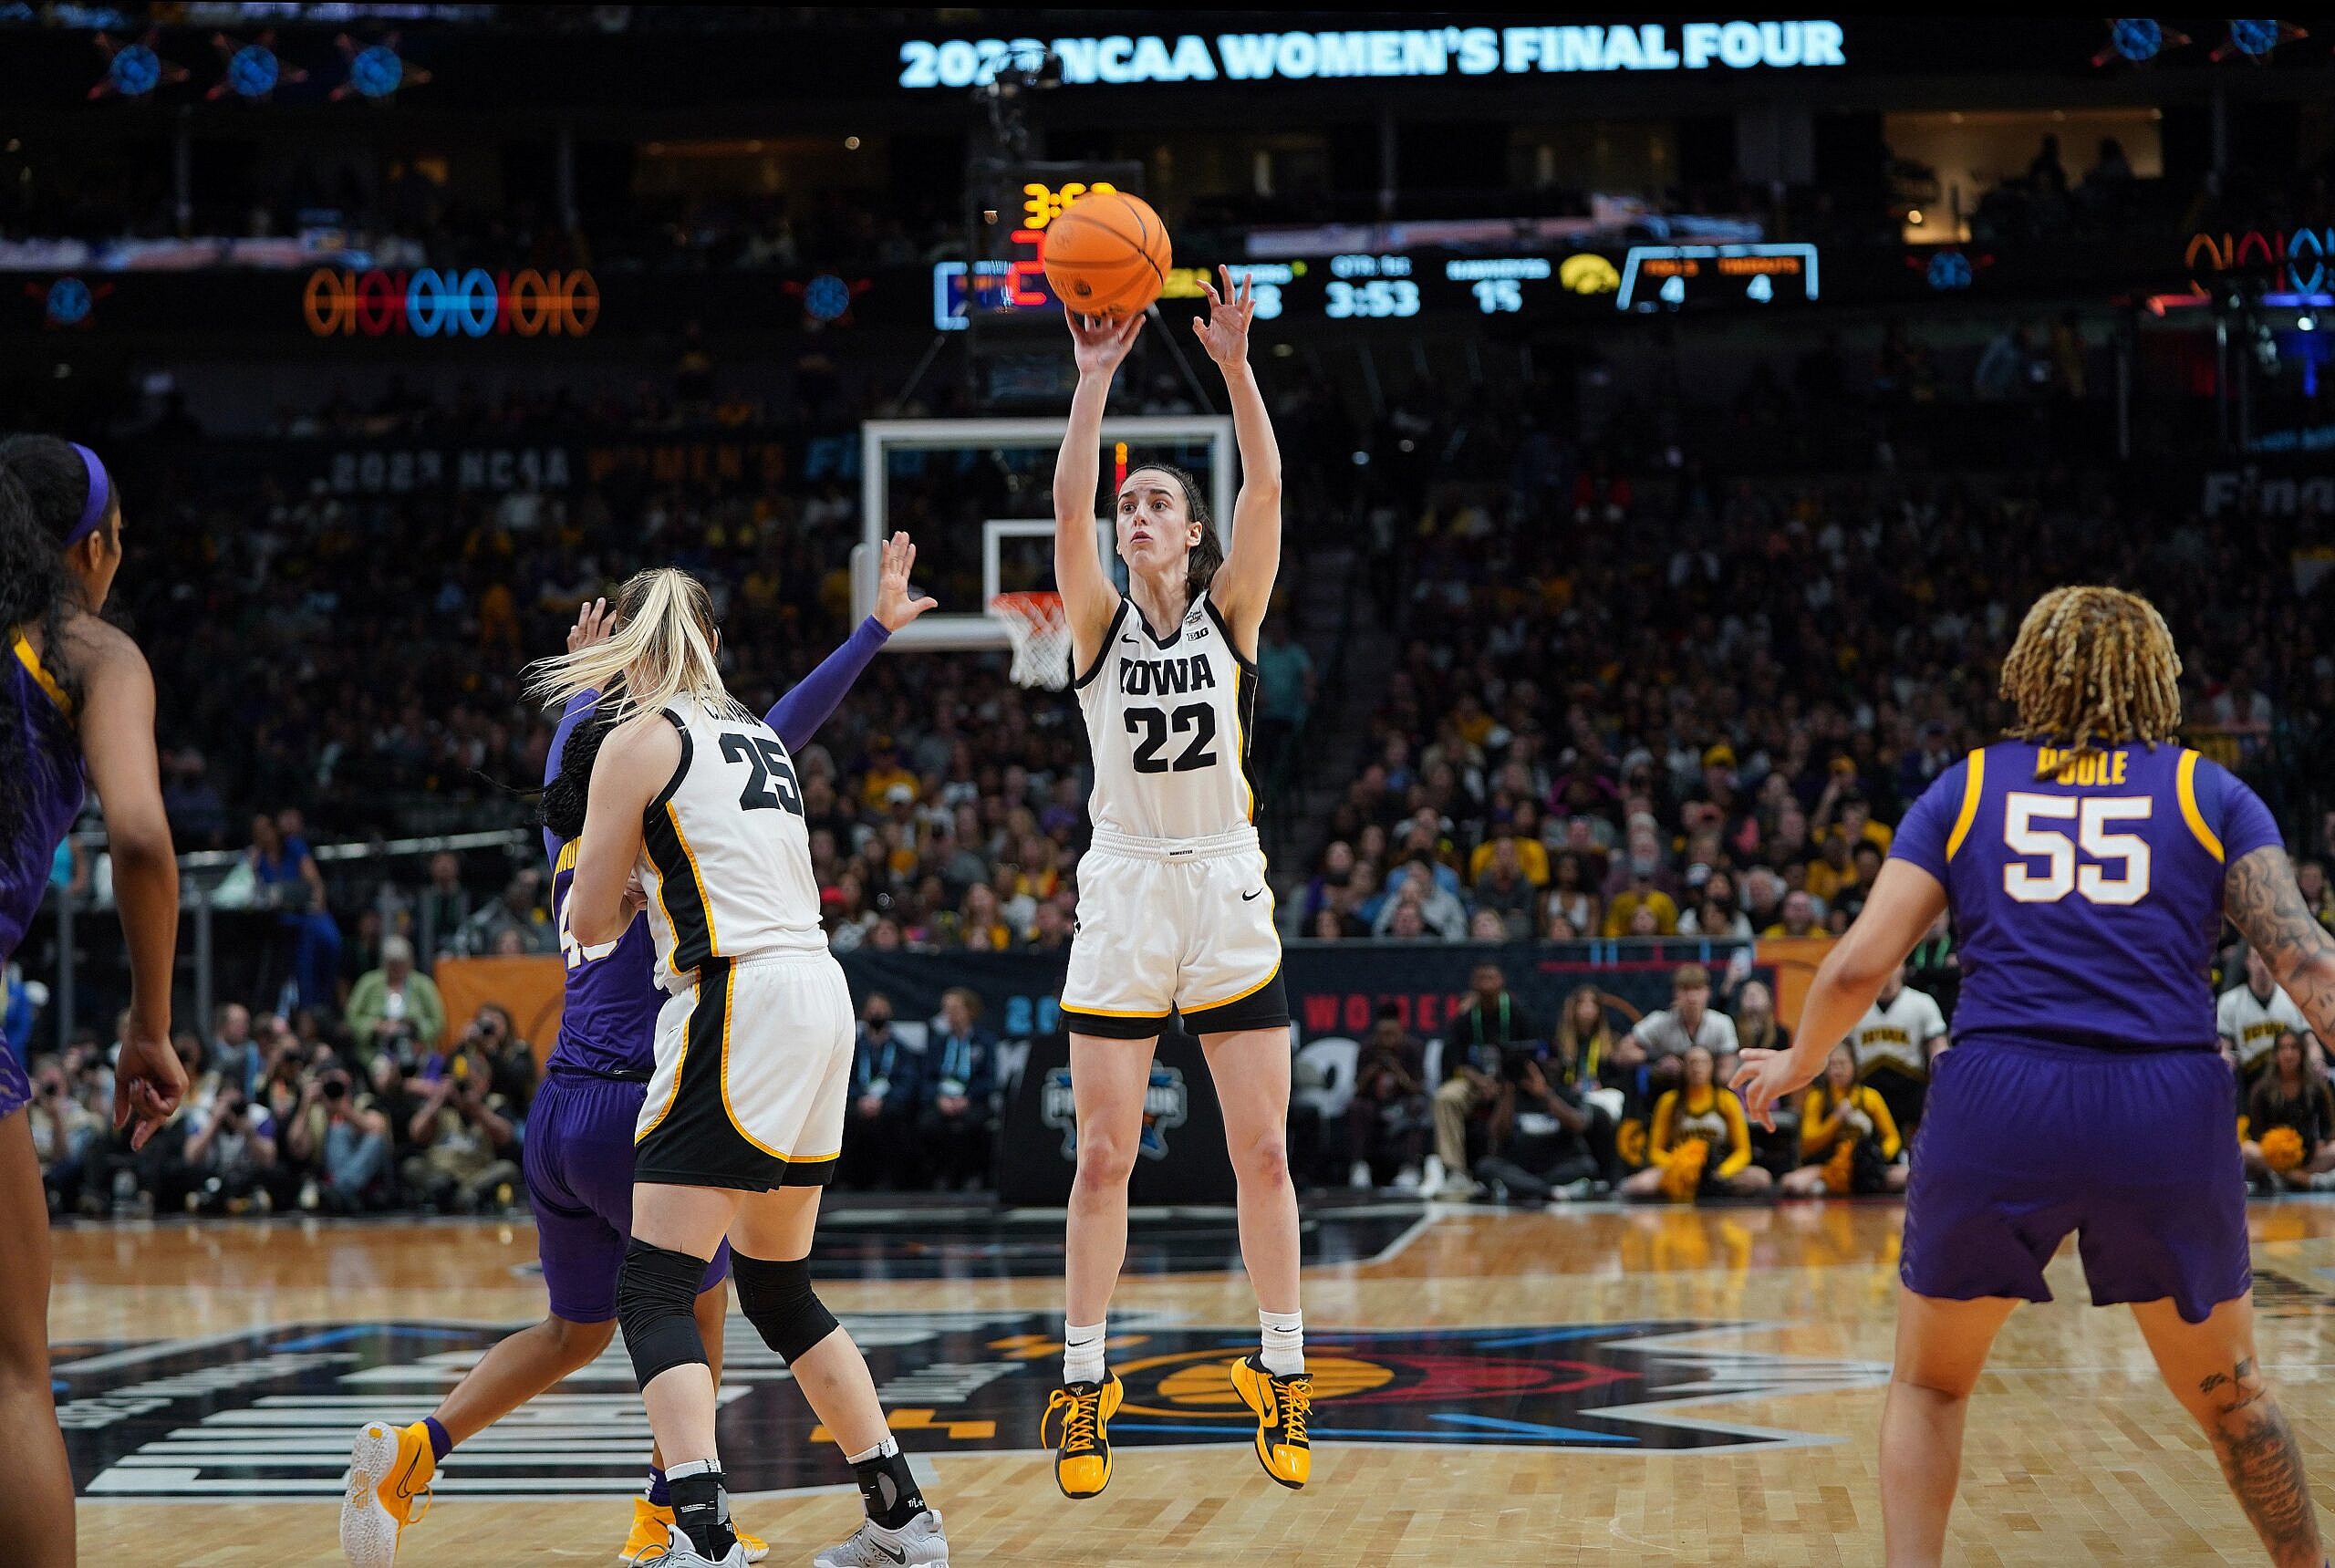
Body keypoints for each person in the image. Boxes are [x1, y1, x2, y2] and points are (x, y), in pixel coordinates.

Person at [341, 541, 939, 1568]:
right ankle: (680, 1525)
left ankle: (418, 1448)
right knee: (694, 1301)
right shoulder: (710, 749)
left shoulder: (592, 775)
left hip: (562, 1105)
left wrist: (582, 698)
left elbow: (576, 827)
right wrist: (872, 632)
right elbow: (783, 722)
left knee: (579, 1329)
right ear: (703, 643)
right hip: (667, 1073)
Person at [1733, 585, 2330, 1568]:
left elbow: (1851, 967)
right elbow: (2307, 967)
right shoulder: (2207, 793)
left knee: (1929, 1388)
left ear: (2029, 671)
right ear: (2155, 676)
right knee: (2233, 1398)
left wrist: (1802, 1060)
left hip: (2000, 1096)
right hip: (2161, 1105)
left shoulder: (1967, 787)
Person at [520, 566, 950, 1568]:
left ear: (630, 649)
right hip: (818, 995)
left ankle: (700, 1538)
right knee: (777, 1284)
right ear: (708, 639)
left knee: (655, 1288)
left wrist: (622, 887)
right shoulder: (754, 733)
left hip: (738, 1003)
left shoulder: (636, 739)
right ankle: (900, 1519)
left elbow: (582, 923)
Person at [1047, 275, 1310, 1500]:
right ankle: (1085, 1381)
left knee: (1263, 1150)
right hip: (1124, 890)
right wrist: (1095, 382)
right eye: (1131, 503)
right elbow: (1065, 500)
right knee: (1104, 1155)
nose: (1139, 511)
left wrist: (1238, 365)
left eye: (1160, 500)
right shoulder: (1095, 618)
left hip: (1223, 886)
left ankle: (1284, 1369)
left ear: (1192, 532)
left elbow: (1265, 487)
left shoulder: (1231, 618)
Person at [0, 435, 187, 1567]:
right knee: (14, 1374)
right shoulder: (91, 652)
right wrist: (149, 1026)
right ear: (91, 548)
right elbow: (142, 838)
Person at [1428, 961, 1541, 1197]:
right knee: (1446, 1097)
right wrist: (1480, 1081)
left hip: (1512, 1081)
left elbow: (1531, 1055)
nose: (1486, 982)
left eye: (1491, 976)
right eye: (1481, 977)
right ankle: (1455, 1172)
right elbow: (1456, 1061)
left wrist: (1503, 1082)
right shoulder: (1465, 1019)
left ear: (1502, 981)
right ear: (1472, 983)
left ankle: (1525, 1169)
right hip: (1477, 1082)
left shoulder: (1519, 1014)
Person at [1619, 1044, 1769, 1199]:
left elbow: (1743, 1152)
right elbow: (1654, 1151)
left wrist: (1721, 1173)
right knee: (1636, 1185)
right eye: (1692, 1063)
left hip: (1718, 1170)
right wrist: (1680, 1167)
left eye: (1703, 1062)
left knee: (1761, 1179)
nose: (1697, 1068)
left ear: (1712, 1067)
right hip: (1678, 1171)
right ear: (1684, 1068)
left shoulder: (1727, 1100)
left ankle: (1714, 1193)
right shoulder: (1669, 1101)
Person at [1780, 1044, 1906, 1197]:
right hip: (1827, 1165)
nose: (1837, 1070)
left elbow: (1893, 1138)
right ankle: (1827, 1186)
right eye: (1832, 1065)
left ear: (1854, 1065)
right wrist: (1836, 1119)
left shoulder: (1870, 1097)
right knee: (1792, 1183)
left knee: (1907, 1176)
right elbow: (1807, 1142)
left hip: (1866, 1167)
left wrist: (1879, 1156)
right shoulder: (1816, 1098)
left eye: (1842, 1064)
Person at [1844, 967, 1950, 1137]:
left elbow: (1938, 1046)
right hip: (1868, 1087)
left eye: (1894, 964)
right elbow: (1843, 1050)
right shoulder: (1855, 1005)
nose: (1887, 971)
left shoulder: (1921, 1002)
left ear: (1903, 968)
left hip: (1910, 1086)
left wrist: (1942, 1078)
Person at [1614, 963, 1742, 1089]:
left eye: (1697, 989)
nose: (1692, 998)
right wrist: (1656, 1059)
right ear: (1676, 993)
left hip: (1711, 1092)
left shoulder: (1722, 1023)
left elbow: (1727, 1074)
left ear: (1707, 992)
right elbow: (1622, 1053)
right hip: (1668, 1092)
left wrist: (1700, 1068)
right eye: (1686, 990)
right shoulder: (1660, 1021)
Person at [918, 988, 996, 1190]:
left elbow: (990, 1079)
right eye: (946, 1009)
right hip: (942, 1100)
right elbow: (927, 1078)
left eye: (955, 1009)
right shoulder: (939, 1042)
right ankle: (937, 1177)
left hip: (972, 1100)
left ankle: (971, 1176)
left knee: (969, 1126)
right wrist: (939, 1097)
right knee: (928, 1124)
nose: (950, 1014)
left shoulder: (984, 1042)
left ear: (970, 1011)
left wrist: (967, 1098)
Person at [1344, 1008, 1428, 1189]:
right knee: (1357, 1107)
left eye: (1392, 1034)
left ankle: (1410, 1168)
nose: (1387, 1039)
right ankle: (1359, 1166)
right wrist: (1373, 1071)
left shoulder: (1413, 1049)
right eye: (1383, 1035)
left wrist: (1398, 1072)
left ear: (1401, 1033)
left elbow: (1417, 1088)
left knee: (1418, 1106)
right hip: (1374, 1104)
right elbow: (1358, 1089)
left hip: (1403, 1102)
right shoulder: (1367, 1049)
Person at [2241, 1032, 2335, 1191]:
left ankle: (2285, 1179)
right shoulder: (2262, 1089)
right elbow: (2255, 1132)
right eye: (2283, 1048)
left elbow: (2328, 1126)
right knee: (2247, 1150)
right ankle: (2306, 1180)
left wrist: (2322, 1142)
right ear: (2276, 1054)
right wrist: (2276, 1146)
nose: (2289, 1053)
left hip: (2308, 1155)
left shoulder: (2316, 1087)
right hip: (2273, 1158)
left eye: (2294, 1048)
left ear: (2302, 1053)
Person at [343, 935, 446, 1070]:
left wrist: (414, 1027)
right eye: (393, 964)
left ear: (410, 962)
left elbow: (439, 1022)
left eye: (401, 963)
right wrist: (375, 1026)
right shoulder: (369, 983)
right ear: (384, 962)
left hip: (417, 1051)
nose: (397, 968)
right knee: (382, 1069)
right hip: (374, 1053)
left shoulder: (423, 985)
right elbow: (351, 1016)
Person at [2217, 947, 2311, 1082]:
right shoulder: (2229, 1001)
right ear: (2247, 962)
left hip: (2289, 1076)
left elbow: (2310, 1042)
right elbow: (2223, 1046)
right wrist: (2225, 1059)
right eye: (2256, 958)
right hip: (2249, 1079)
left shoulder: (2294, 997)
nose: (2262, 964)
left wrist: (2318, 1062)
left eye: (2267, 959)